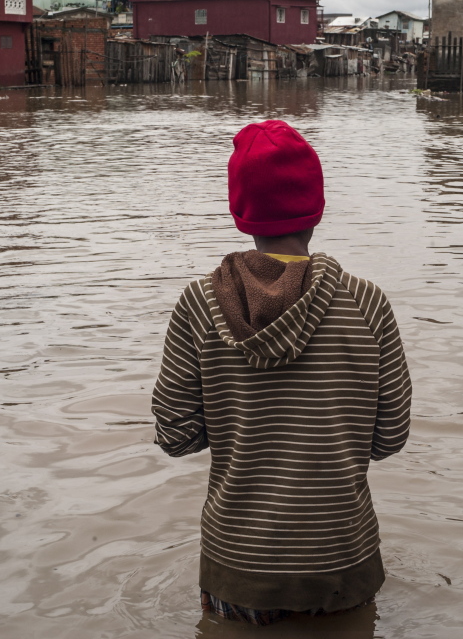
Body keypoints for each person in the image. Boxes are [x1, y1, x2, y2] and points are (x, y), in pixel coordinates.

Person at [152, 120, 413, 626]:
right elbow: (390, 438)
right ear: (316, 209)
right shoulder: (367, 303)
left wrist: (240, 417)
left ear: (242, 211)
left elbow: (176, 436)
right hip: (344, 561)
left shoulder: (198, 304)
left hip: (240, 566)